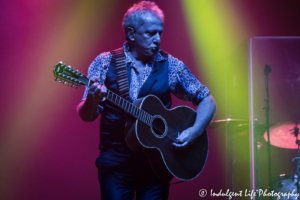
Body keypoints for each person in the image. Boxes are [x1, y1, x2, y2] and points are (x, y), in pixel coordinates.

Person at [77, 1, 216, 199]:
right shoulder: (104, 62)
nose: (158, 39)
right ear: (131, 33)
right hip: (115, 166)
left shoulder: (172, 66)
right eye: (150, 33)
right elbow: (86, 115)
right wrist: (91, 100)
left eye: (160, 33)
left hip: (157, 168)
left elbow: (208, 100)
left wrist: (194, 132)